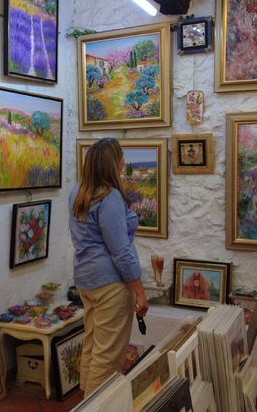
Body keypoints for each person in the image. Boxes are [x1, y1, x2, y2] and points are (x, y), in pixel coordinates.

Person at [69, 137, 149, 397]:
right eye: (121, 158)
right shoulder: (110, 196)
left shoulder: (78, 191)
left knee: (93, 346)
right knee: (107, 357)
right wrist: (139, 292)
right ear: (112, 163)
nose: (124, 162)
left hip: (86, 280)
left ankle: (85, 402)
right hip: (110, 284)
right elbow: (121, 251)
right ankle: (96, 405)